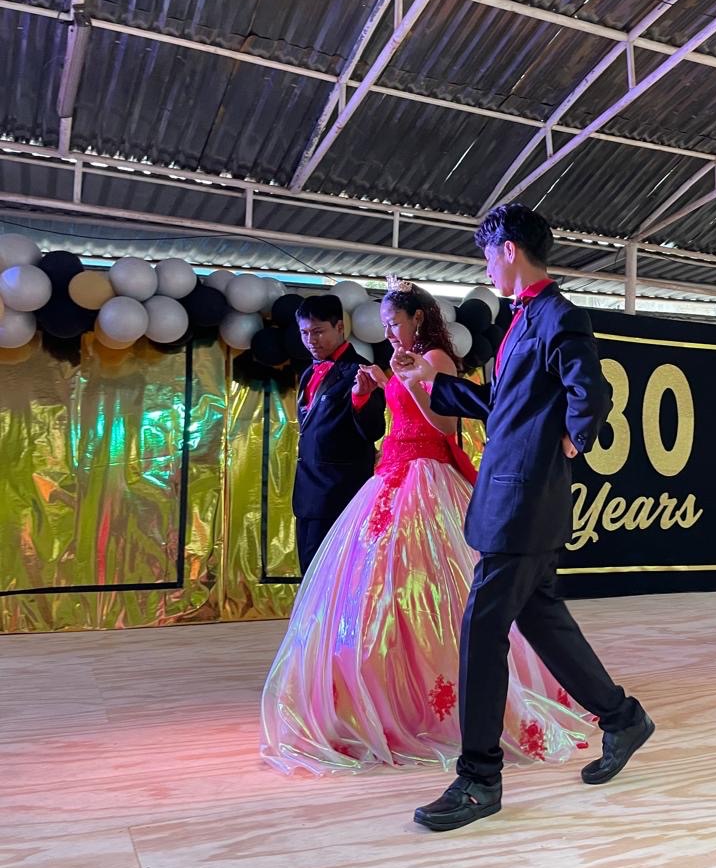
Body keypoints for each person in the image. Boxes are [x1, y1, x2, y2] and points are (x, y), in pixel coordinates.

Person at [261, 281, 594, 774]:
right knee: (374, 590)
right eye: (385, 325)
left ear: (417, 319)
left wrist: (414, 381)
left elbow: (444, 426)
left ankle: (435, 700)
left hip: (426, 477)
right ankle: (376, 693)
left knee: (434, 585)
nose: (389, 333)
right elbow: (390, 422)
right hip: (390, 476)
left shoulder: (435, 358)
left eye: (395, 323)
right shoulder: (400, 359)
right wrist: (374, 391)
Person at [392, 204, 653, 833]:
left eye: (488, 255)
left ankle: (480, 779)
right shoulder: (525, 318)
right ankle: (622, 719)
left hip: (525, 497)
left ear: (508, 249)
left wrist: (573, 440)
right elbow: (504, 406)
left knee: (481, 631)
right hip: (513, 494)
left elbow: (591, 390)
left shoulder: (558, 314)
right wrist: (431, 384)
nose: (486, 267)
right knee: (543, 620)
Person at [291, 294, 387, 575]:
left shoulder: (361, 372)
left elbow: (373, 430)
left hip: (341, 496)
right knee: (309, 579)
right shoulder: (308, 372)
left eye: (318, 331)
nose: (311, 340)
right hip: (308, 496)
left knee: (337, 581)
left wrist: (360, 399)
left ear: (340, 328)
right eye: (304, 333)